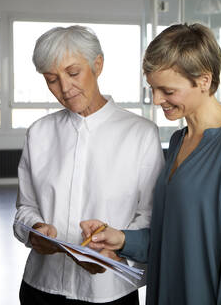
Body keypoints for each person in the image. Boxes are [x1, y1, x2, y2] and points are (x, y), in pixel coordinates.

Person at [80, 23, 221, 304]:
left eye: (167, 90)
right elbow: (174, 235)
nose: (157, 100)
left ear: (204, 80)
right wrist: (120, 239)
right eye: (153, 89)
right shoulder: (180, 139)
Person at [13, 25, 164, 305]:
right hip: (40, 288)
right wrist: (35, 231)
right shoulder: (39, 132)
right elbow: (25, 208)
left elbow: (150, 215)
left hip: (109, 291)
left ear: (98, 64)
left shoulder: (141, 133)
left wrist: (116, 250)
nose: (64, 88)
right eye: (51, 79)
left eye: (73, 73)